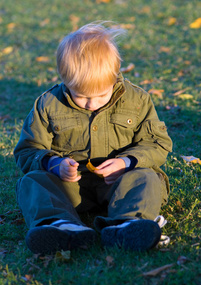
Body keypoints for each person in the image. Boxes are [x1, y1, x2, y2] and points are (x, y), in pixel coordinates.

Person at [14, 22, 172, 255]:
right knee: (33, 181)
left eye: (101, 95)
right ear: (65, 81)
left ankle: (129, 224)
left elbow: (157, 143)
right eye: (81, 96)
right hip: (71, 189)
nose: (91, 103)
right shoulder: (47, 104)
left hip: (120, 186)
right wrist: (54, 164)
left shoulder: (137, 100)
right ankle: (61, 226)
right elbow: (28, 150)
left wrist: (126, 162)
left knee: (147, 177)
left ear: (115, 76)